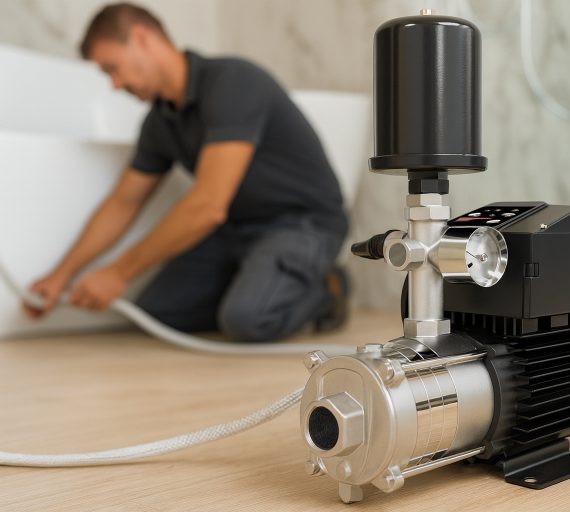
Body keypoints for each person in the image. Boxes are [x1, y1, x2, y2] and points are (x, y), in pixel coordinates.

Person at [22, 2, 349, 341]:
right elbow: (124, 202)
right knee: (159, 315)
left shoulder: (233, 82)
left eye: (112, 68)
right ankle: (257, 282)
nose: (115, 85)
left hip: (301, 223)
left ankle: (327, 288)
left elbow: (208, 206)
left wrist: (119, 272)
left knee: (246, 320)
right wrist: (61, 275)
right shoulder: (159, 122)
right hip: (235, 229)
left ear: (142, 38)